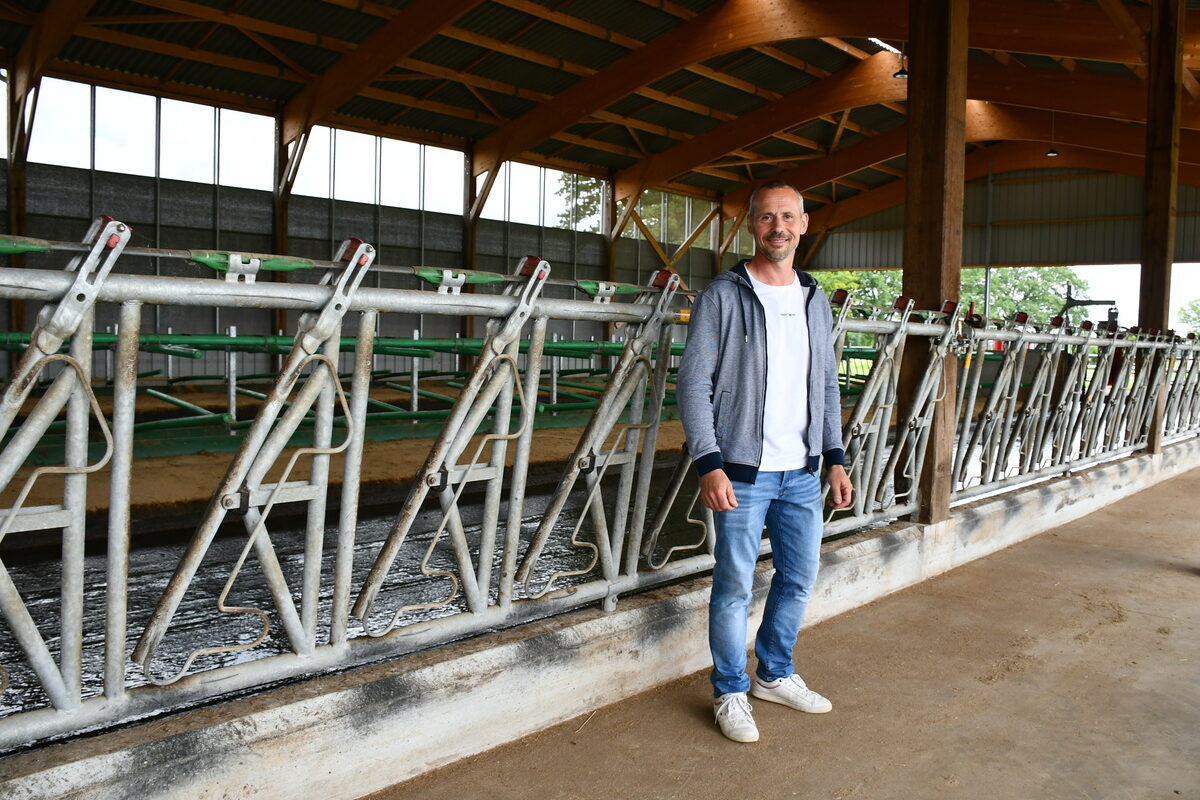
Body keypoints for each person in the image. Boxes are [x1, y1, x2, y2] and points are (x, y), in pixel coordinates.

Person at [676, 179, 853, 743]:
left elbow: (826, 381)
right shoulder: (723, 295)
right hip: (741, 472)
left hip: (801, 471)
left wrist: (835, 456)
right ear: (751, 225)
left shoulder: (814, 296)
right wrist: (709, 461)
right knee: (733, 585)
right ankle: (730, 689)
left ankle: (774, 675)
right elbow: (692, 381)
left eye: (788, 216)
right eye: (766, 217)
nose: (778, 226)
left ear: (804, 224)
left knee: (798, 578)